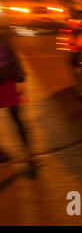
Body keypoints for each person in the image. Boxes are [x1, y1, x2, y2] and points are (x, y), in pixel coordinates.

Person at [0, 34, 33, 169]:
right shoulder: (2, 36)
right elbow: (13, 57)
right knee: (17, 119)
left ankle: (28, 153)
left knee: (17, 118)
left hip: (7, 80)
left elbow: (12, 56)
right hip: (7, 79)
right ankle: (28, 153)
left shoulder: (2, 37)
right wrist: (20, 76)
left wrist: (20, 77)